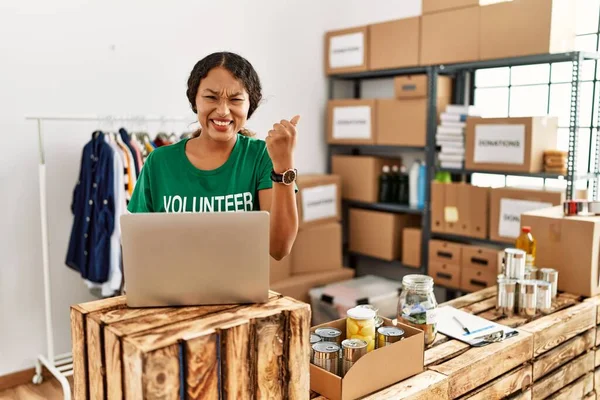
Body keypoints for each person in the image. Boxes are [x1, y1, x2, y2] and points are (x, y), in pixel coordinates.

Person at [127, 52, 299, 260]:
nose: (223, 110)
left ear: (249, 106)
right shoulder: (159, 162)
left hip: (240, 292)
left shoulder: (261, 157)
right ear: (195, 101)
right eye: (211, 97)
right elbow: (139, 246)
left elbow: (278, 249)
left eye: (235, 99)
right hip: (171, 290)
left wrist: (283, 165)